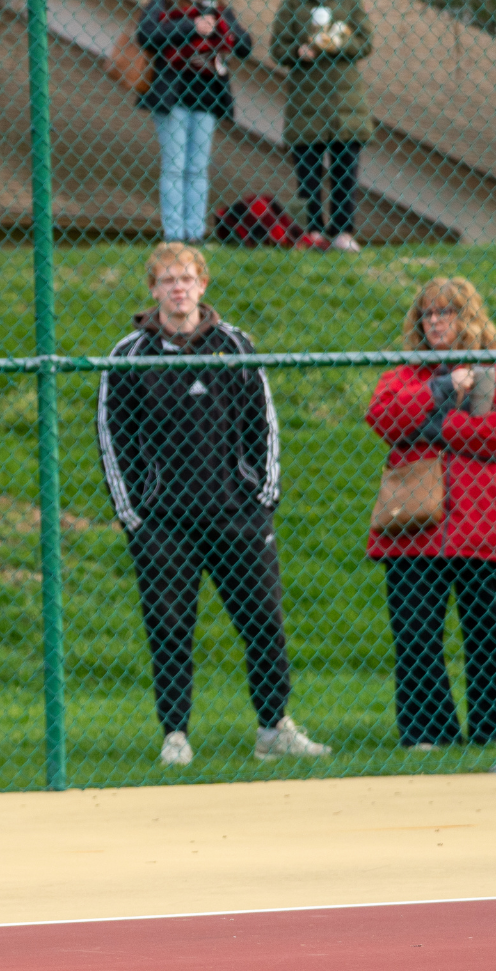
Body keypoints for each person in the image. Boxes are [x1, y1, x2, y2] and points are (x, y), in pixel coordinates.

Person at [97, 242, 330, 766]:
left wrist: (262, 498)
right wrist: (135, 517)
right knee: (170, 626)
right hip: (164, 526)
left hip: (237, 517)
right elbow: (113, 440)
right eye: (167, 280)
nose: (178, 288)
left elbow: (263, 426)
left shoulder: (236, 344)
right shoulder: (129, 355)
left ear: (203, 285)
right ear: (153, 289)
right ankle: (175, 735)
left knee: (264, 622)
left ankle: (273, 728)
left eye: (187, 278)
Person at [365, 277, 496, 749]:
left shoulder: (491, 367)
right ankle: (428, 731)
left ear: (468, 317)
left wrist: (441, 426)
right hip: (413, 527)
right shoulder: (406, 374)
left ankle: (489, 730)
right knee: (416, 636)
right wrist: (441, 388)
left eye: (448, 312)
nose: (436, 321)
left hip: (482, 527)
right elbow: (384, 419)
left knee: (488, 636)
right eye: (428, 313)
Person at [136, 1, 252, 244]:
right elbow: (145, 35)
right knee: (175, 166)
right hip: (173, 95)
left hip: (207, 98)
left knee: (198, 169)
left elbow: (244, 46)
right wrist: (191, 26)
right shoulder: (164, 4)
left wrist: (224, 29)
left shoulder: (220, 10)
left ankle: (195, 233)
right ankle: (175, 235)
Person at [270, 0, 374, 252]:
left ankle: (342, 231)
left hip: (345, 106)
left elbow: (365, 43)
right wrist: (297, 51)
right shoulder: (292, 6)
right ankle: (311, 231)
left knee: (345, 173)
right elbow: (277, 48)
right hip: (305, 104)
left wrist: (339, 43)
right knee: (307, 174)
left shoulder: (350, 4)